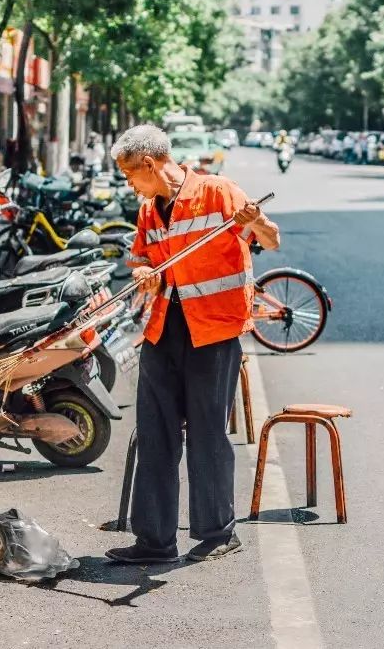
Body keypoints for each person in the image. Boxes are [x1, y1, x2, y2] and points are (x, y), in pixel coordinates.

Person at [105, 124, 280, 564]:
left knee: (207, 434)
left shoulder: (219, 192)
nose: (130, 185)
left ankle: (218, 533)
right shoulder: (149, 210)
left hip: (214, 332)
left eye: (131, 175)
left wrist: (253, 220)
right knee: (155, 435)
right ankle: (155, 542)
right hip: (162, 329)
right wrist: (144, 272)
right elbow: (142, 260)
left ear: (149, 164)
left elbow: (271, 238)